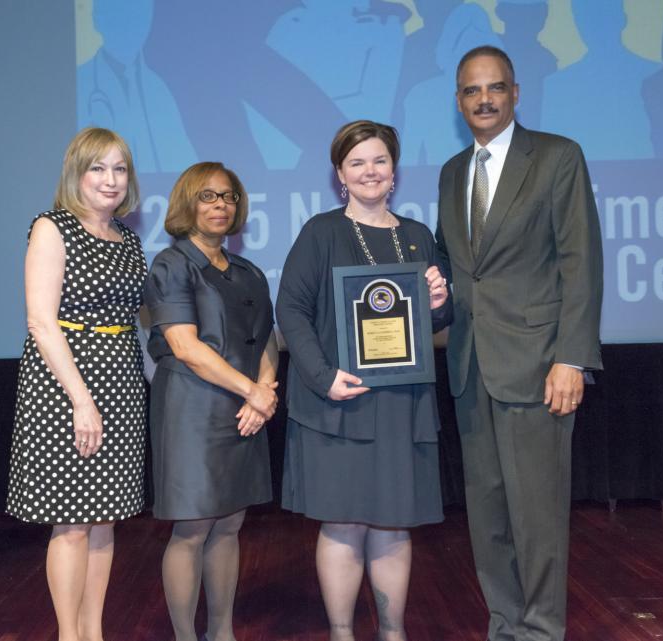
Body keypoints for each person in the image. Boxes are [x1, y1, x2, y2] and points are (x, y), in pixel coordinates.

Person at [435, 46, 603, 641]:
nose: (483, 99)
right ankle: (504, 625)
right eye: (471, 90)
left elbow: (580, 264)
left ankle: (540, 630)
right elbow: (455, 268)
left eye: (495, 88)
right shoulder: (453, 171)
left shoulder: (557, 157)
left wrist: (571, 358)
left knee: (537, 517)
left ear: (515, 93)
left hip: (538, 367)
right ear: (457, 100)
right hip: (470, 368)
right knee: (488, 516)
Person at [276, 120, 452, 641]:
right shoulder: (321, 232)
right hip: (340, 401)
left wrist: (441, 303)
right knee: (344, 523)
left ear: (393, 170)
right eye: (357, 163)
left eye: (378, 160)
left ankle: (393, 632)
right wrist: (322, 376)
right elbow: (291, 309)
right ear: (340, 175)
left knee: (394, 523)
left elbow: (436, 323)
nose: (369, 171)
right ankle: (341, 633)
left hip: (403, 405)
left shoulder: (418, 237)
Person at [5, 127, 147, 641]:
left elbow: (139, 311)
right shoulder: (52, 227)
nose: (110, 180)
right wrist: (82, 401)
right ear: (76, 174)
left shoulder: (129, 236)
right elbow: (41, 322)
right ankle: (69, 635)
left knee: (106, 519)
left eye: (120, 169)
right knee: (71, 524)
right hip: (66, 387)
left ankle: (94, 632)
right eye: (98, 168)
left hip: (121, 382)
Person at [144, 162, 279, 641]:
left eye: (228, 197)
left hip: (244, 410)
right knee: (194, 528)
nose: (220, 205)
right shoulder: (171, 263)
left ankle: (222, 632)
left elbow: (265, 338)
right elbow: (185, 346)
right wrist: (252, 392)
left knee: (230, 524)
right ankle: (185, 637)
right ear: (187, 204)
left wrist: (264, 391)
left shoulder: (248, 271)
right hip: (193, 407)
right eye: (207, 196)